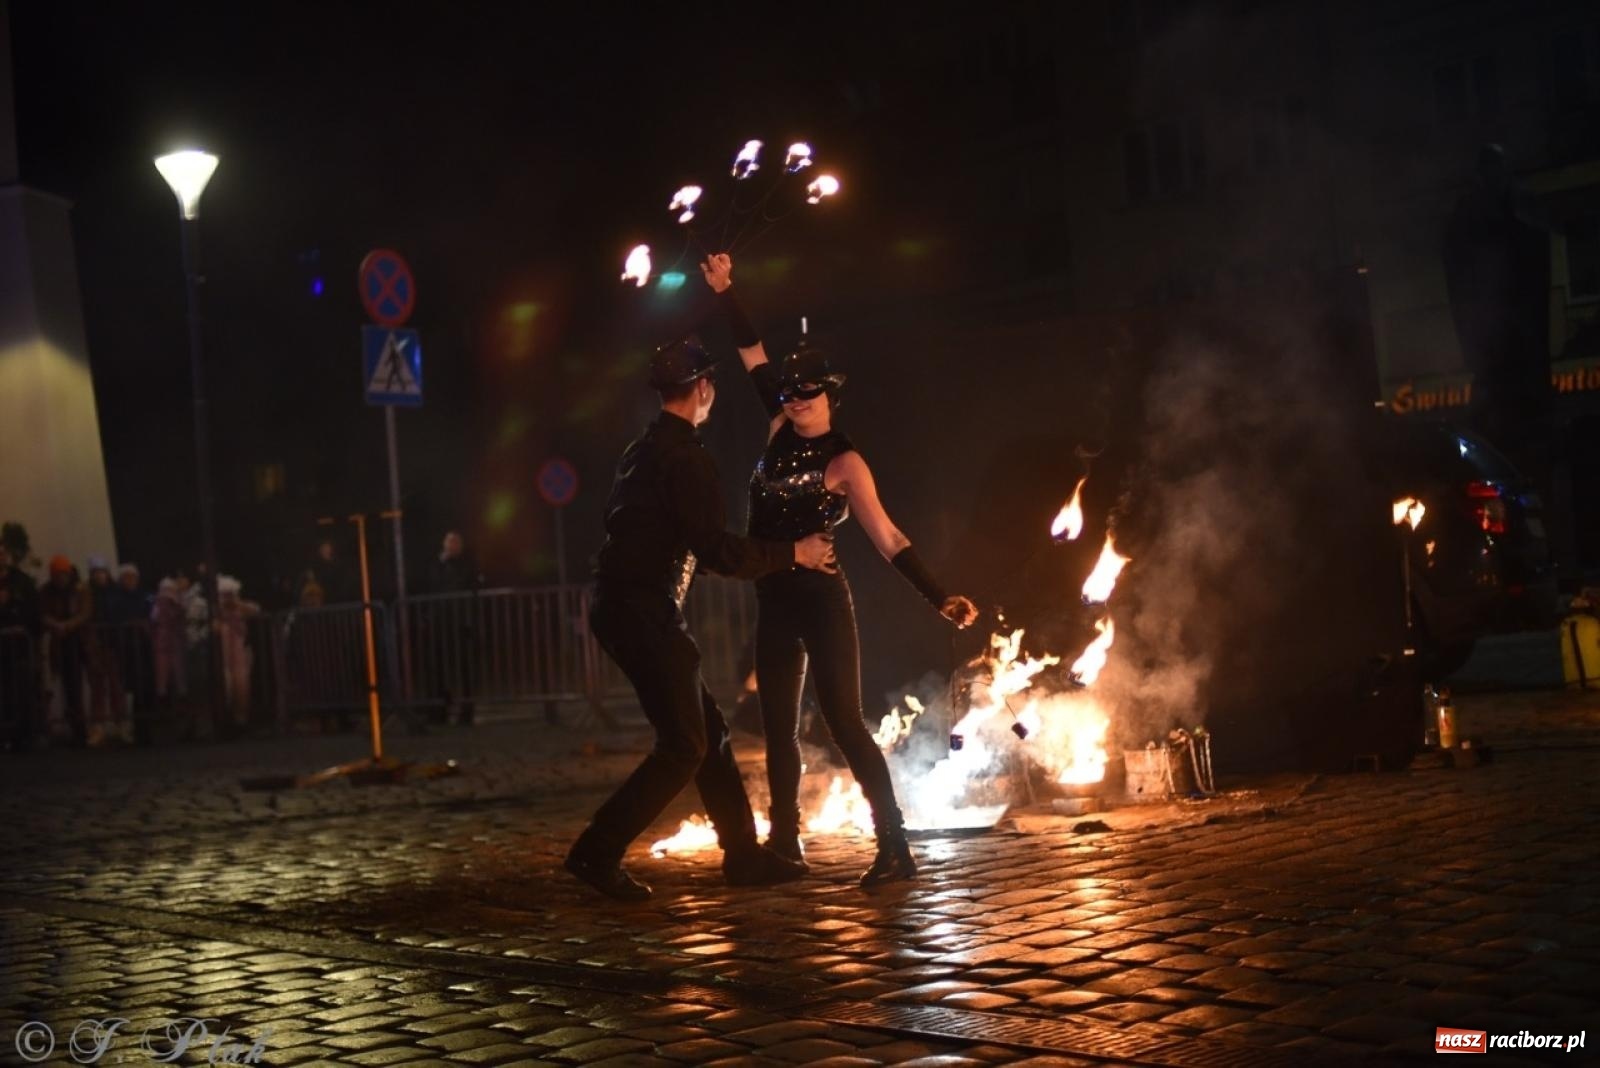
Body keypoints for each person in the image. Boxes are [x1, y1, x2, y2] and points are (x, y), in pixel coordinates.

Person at [703, 253, 979, 888]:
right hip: (774, 597)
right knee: (777, 726)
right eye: (790, 391)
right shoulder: (775, 426)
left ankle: (894, 846)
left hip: (821, 600)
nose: (795, 399)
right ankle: (786, 845)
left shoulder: (845, 461)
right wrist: (725, 291)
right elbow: (751, 352)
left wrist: (938, 597)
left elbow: (888, 537)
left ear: (831, 393)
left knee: (844, 722)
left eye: (807, 391)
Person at [565, 336, 839, 902]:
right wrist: (795, 553)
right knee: (684, 745)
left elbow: (666, 538)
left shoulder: (641, 451)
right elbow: (715, 551)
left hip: (629, 606)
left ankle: (741, 854)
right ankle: (597, 850)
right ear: (704, 388)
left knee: (709, 732)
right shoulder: (686, 457)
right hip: (642, 611)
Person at [38, 556, 91, 746]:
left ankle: (80, 729)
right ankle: (64, 725)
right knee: (58, 685)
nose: (61, 578)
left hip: (77, 642)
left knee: (75, 686)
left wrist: (67, 625)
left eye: (63, 574)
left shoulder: (79, 590)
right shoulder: (46, 592)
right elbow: (42, 613)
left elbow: (85, 612)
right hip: (57, 643)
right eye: (57, 574)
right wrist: (56, 625)